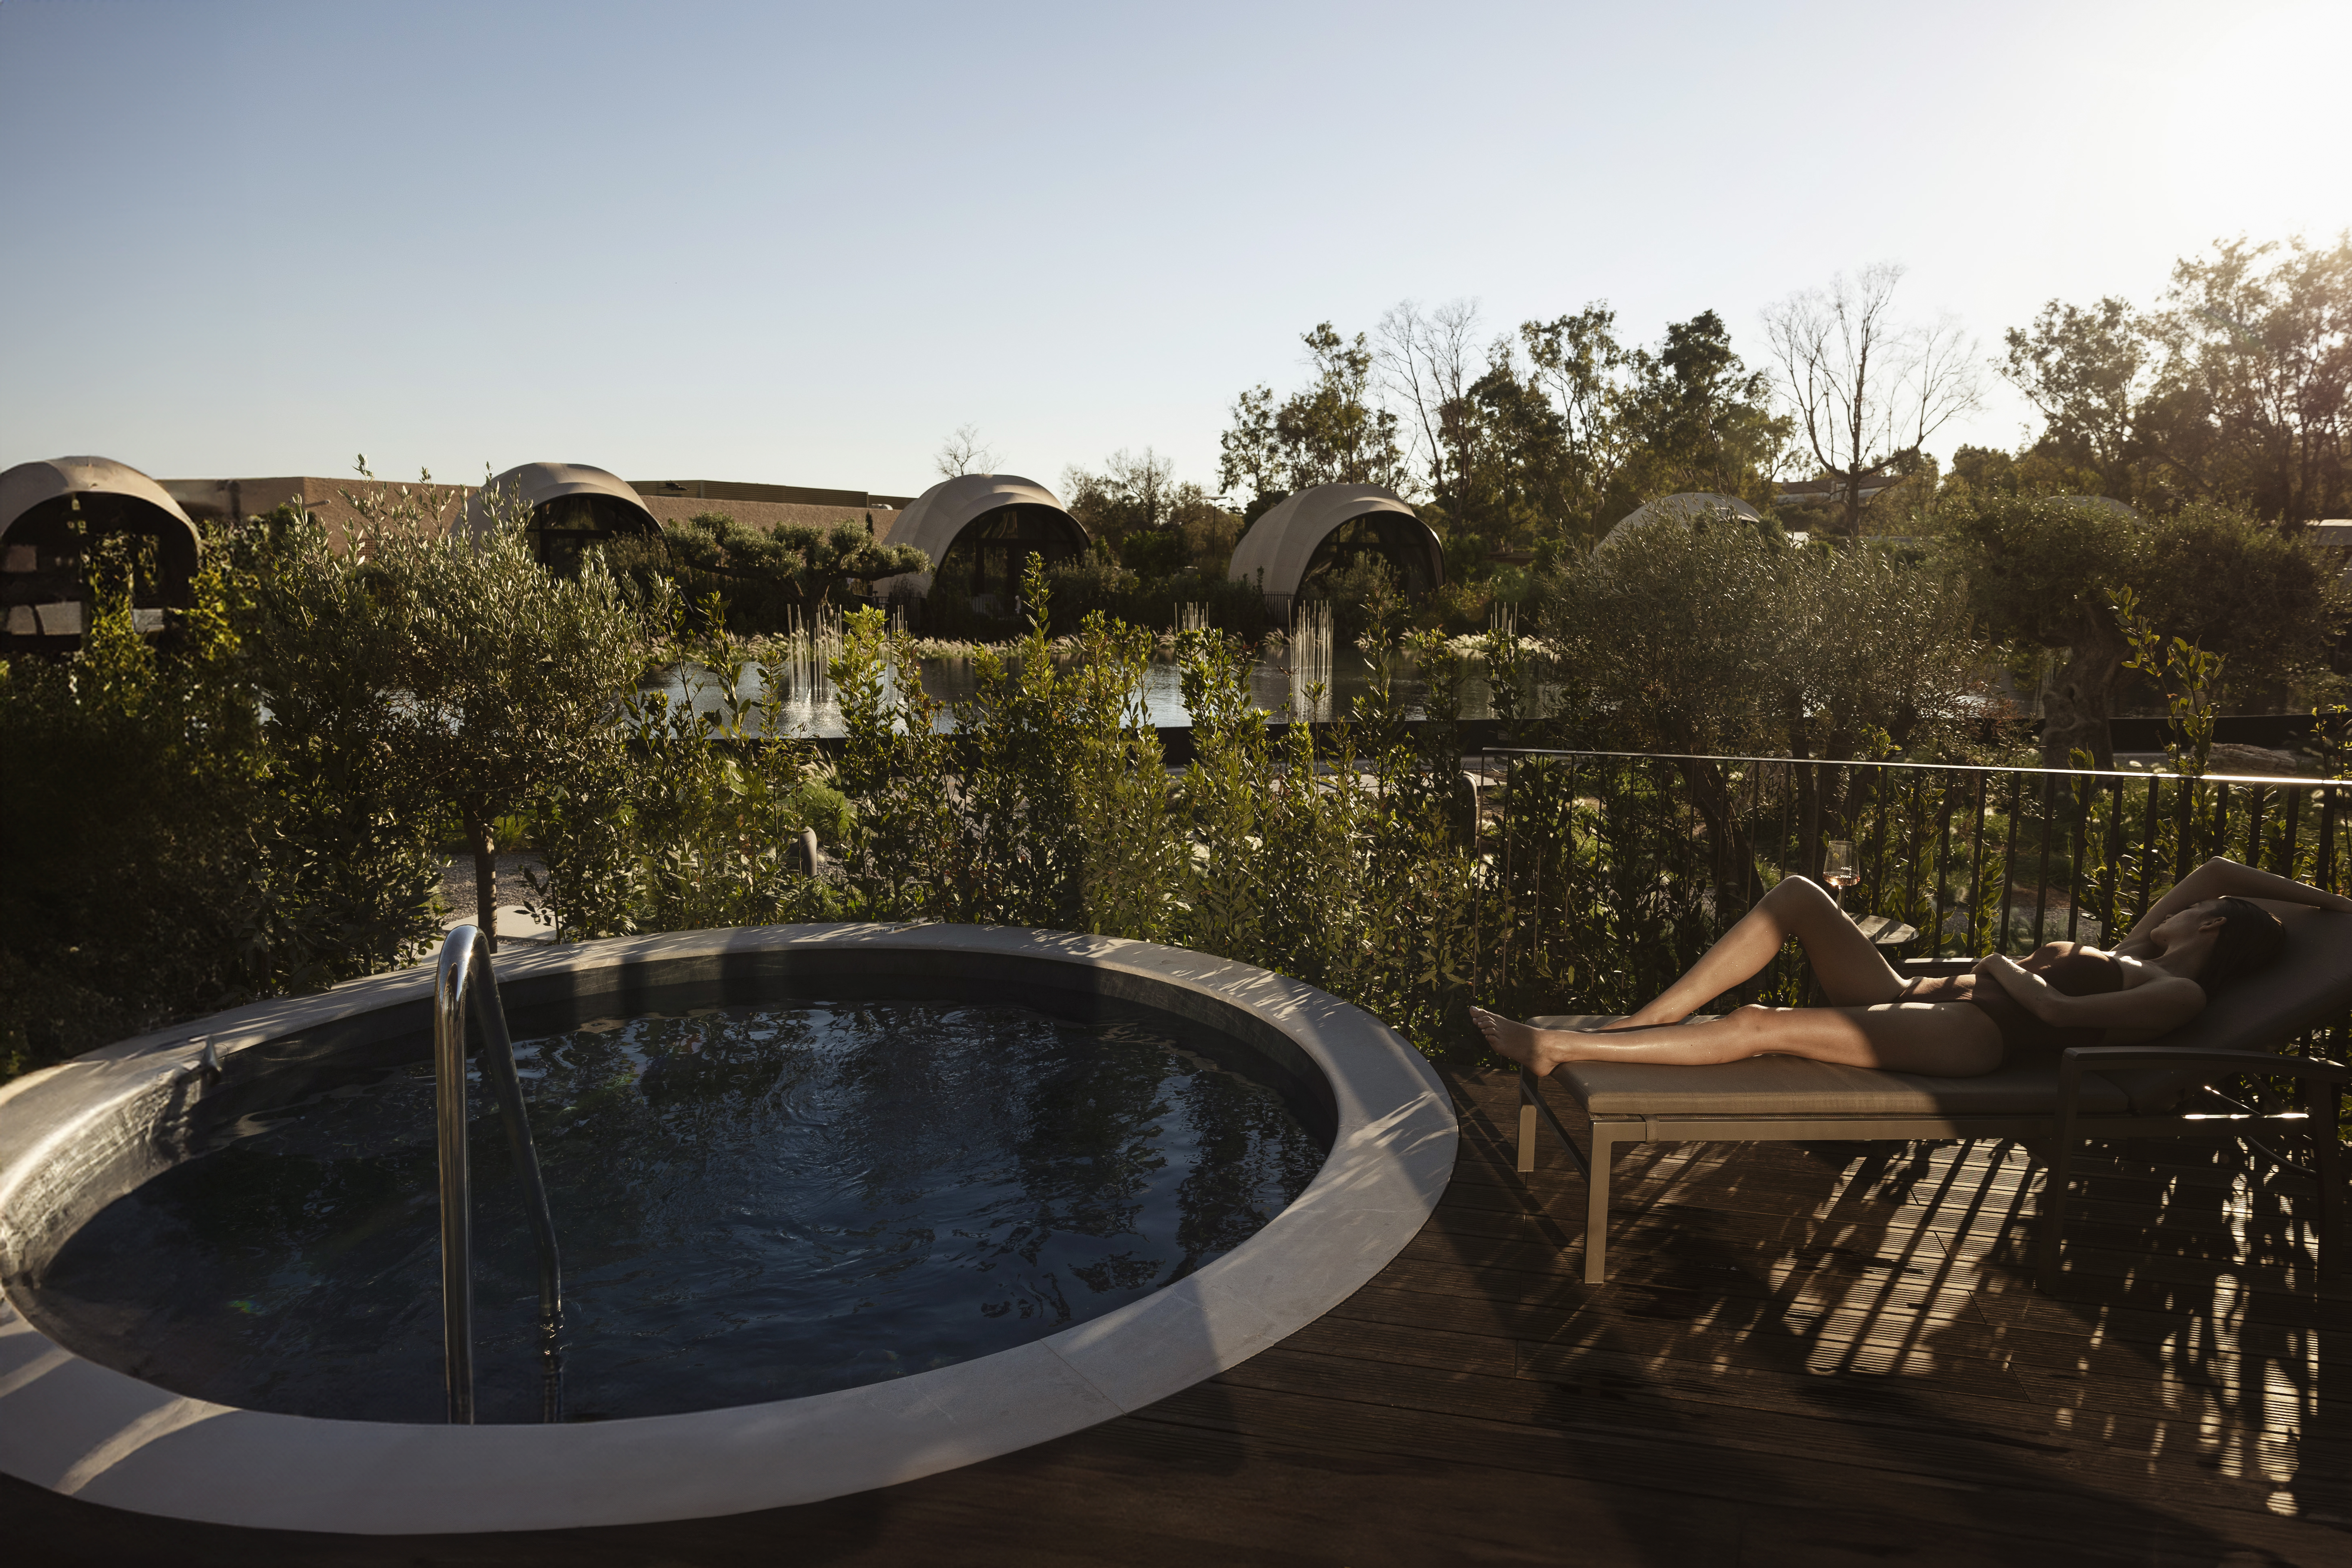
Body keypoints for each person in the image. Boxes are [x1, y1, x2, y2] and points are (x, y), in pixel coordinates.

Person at [1472, 856, 2352, 1080]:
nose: (2188, 903)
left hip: (1974, 1036)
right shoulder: (2136, 949)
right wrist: (2340, 908)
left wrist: (2008, 964)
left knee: (1760, 1029)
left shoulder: (2179, 986)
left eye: (2199, 912)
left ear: (2215, 931)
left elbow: (2055, 1019)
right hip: (1924, 997)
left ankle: (1564, 1050)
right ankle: (1647, 1020)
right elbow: (2224, 874)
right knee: (1800, 897)